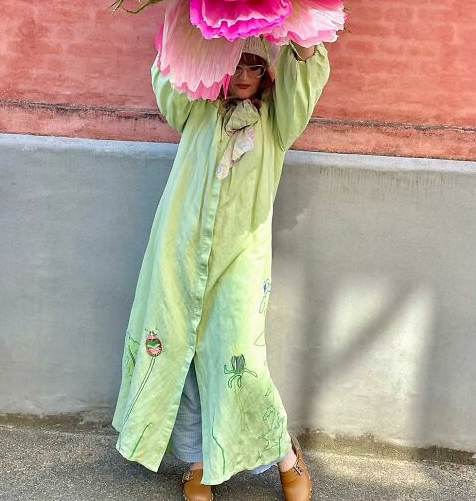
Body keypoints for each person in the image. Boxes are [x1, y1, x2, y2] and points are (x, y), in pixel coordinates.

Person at [112, 34, 330, 500]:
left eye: (254, 67)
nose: (244, 76)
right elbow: (170, 81)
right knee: (181, 352)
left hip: (241, 257)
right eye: (235, 66)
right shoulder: (196, 111)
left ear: (267, 73)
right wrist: (182, 27)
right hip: (179, 249)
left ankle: (285, 456)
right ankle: (199, 463)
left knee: (238, 357)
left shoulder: (278, 123)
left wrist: (308, 36)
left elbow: (304, 87)